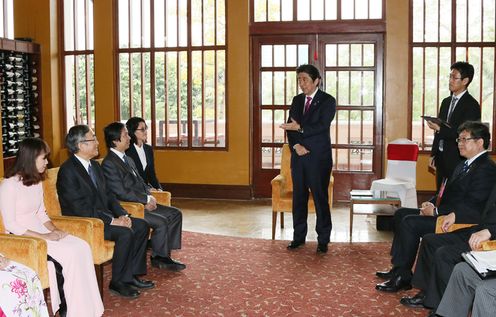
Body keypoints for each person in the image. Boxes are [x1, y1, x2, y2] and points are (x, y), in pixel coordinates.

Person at [376, 121, 496, 293]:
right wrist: (432, 202)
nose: (459, 144)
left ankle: (403, 277)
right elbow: (447, 192)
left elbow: (474, 204)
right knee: (401, 213)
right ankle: (399, 269)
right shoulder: (464, 164)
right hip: (445, 211)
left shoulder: (485, 168)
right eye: (458, 139)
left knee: (410, 223)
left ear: (479, 142)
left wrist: (437, 212)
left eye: (464, 139)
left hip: (460, 219)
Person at [0, 138, 104, 317]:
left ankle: (88, 310)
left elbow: (42, 214)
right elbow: (11, 224)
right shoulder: (9, 185)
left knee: (82, 246)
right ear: (30, 159)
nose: (47, 162)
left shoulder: (36, 181)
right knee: (69, 255)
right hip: (25, 237)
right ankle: (68, 310)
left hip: (42, 230)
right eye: (43, 158)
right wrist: (46, 237)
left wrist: (54, 230)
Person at [56, 125, 153, 299]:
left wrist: (123, 214)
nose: (98, 143)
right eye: (93, 139)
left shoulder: (94, 165)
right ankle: (118, 282)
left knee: (141, 225)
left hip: (103, 217)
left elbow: (109, 195)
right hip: (85, 223)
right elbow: (80, 208)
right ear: (81, 145)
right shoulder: (68, 171)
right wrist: (112, 220)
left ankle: (131, 275)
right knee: (125, 233)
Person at [101, 122, 185, 271]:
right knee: (161, 221)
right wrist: (145, 200)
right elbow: (120, 191)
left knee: (175, 214)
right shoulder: (109, 164)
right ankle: (160, 257)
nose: (129, 137)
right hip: (129, 206)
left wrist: (150, 194)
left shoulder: (128, 159)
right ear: (115, 140)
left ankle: (163, 252)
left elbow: (140, 182)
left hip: (141, 201)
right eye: (125, 135)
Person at [400, 181, 496, 312]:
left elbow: (475, 204)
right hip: (480, 229)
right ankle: (427, 294)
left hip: (489, 239)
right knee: (430, 241)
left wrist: (491, 231)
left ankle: (439, 307)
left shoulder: (485, 168)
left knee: (445, 254)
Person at [279, 64, 336, 254]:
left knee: (320, 198)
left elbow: (321, 125)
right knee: (299, 198)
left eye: (305, 79)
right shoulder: (296, 100)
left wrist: (300, 129)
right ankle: (298, 237)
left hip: (318, 158)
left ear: (316, 81)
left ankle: (323, 239)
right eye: (299, 80)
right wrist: (296, 145)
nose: (301, 84)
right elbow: (290, 126)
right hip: (299, 156)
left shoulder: (328, 101)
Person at [429, 61, 481, 190]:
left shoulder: (471, 105)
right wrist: (433, 154)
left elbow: (465, 134)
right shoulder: (446, 102)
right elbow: (438, 131)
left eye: (455, 77)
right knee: (440, 197)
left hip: (458, 159)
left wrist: (440, 128)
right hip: (441, 159)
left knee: (454, 197)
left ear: (465, 81)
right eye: (450, 76)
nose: (450, 80)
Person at [125, 117, 163, 191]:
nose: (145, 131)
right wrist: (147, 189)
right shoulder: (126, 150)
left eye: (146, 128)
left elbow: (152, 174)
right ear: (132, 131)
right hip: (135, 191)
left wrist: (159, 189)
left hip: (148, 190)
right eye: (142, 129)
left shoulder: (148, 149)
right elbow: (131, 179)